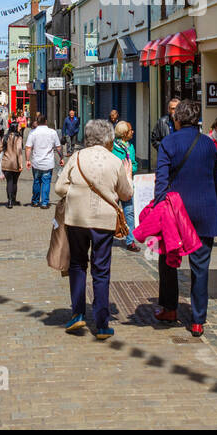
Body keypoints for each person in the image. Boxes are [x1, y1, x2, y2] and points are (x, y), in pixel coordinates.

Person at [53, 119, 133, 340]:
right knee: (101, 269)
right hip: (103, 222)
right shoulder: (115, 161)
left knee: (78, 264)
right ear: (108, 138)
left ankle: (77, 313)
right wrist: (128, 176)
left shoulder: (77, 157)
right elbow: (126, 194)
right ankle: (101, 323)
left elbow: (59, 187)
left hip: (76, 219)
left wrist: (76, 191)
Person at [151, 99, 217, 337]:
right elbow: (216, 180)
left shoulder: (168, 143)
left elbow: (161, 181)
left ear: (176, 119)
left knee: (169, 261)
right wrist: (215, 205)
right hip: (204, 210)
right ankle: (198, 319)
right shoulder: (209, 145)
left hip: (175, 212)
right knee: (200, 267)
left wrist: (158, 207)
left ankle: (170, 309)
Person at [24, 114, 62, 208]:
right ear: (46, 121)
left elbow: (28, 148)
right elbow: (58, 147)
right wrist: (61, 158)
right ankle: (44, 202)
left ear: (37, 121)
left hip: (36, 161)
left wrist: (27, 160)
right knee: (46, 182)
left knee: (36, 181)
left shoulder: (33, 132)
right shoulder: (52, 132)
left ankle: (35, 201)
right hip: (48, 162)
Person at [112, 120, 139, 251]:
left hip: (127, 184)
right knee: (111, 213)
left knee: (129, 213)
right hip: (114, 186)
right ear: (123, 133)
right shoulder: (111, 147)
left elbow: (134, 164)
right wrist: (121, 169)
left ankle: (130, 241)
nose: (132, 132)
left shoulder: (130, 147)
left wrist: (130, 168)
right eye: (130, 130)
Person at [0, 120, 25, 208]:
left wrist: (4, 151)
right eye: (19, 126)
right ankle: (13, 200)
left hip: (6, 162)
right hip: (15, 163)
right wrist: (21, 164)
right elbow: (19, 151)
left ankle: (9, 201)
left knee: (9, 182)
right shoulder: (18, 138)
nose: (20, 127)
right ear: (15, 128)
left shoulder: (5, 137)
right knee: (14, 182)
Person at [151, 97, 179, 161]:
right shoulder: (162, 122)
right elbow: (154, 139)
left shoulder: (184, 122)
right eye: (173, 108)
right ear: (169, 110)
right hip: (167, 158)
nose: (175, 111)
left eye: (177, 108)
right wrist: (164, 149)